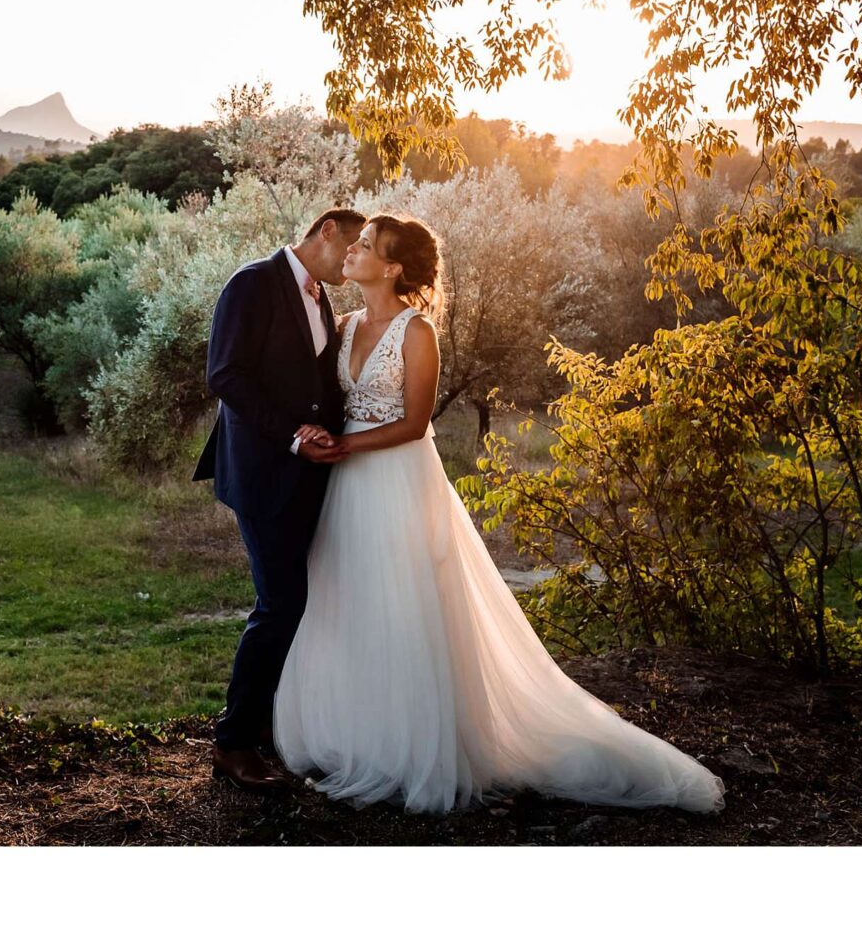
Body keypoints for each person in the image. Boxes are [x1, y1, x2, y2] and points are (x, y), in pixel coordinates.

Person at [272, 212, 727, 816]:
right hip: (343, 485)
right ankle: (354, 734)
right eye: (352, 243)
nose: (351, 251)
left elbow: (413, 424)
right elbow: (329, 400)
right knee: (348, 600)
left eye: (365, 245)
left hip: (396, 481)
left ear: (393, 267)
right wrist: (315, 435)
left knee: (405, 607)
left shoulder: (416, 333)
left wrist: (347, 446)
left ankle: (415, 744)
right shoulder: (346, 321)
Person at [194, 208, 365, 790]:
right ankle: (233, 742)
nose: (351, 263)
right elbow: (226, 376)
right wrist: (293, 435)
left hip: (306, 473)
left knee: (298, 600)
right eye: (349, 249)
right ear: (325, 231)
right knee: (280, 604)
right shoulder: (252, 283)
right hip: (262, 473)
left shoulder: (321, 298)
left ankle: (272, 727)